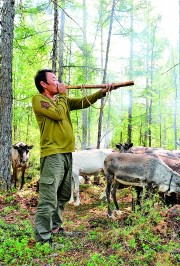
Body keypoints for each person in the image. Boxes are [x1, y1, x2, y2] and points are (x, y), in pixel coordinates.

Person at [32, 69, 117, 244]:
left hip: (66, 154)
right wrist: (63, 95)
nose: (58, 82)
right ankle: (42, 237)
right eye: (54, 80)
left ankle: (55, 228)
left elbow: (82, 102)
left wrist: (101, 93)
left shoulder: (60, 101)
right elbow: (58, 114)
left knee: (63, 195)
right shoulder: (39, 100)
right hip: (52, 155)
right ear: (43, 84)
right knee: (48, 197)